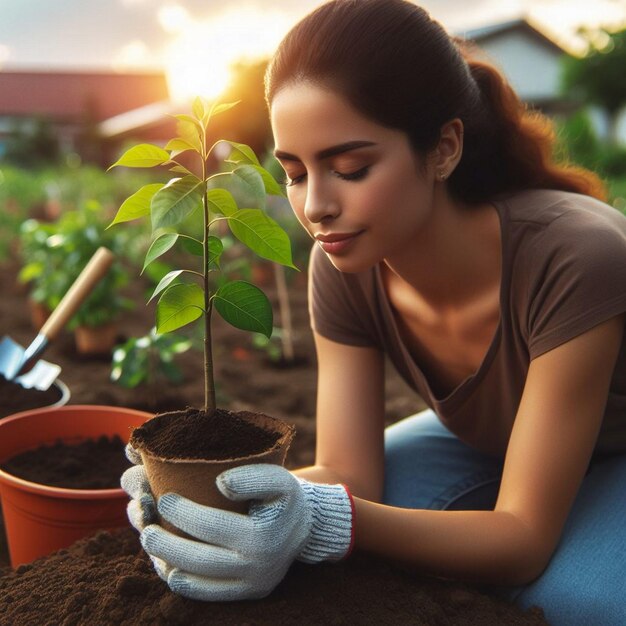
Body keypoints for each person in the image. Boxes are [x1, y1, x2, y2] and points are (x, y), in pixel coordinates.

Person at [121, 1, 626, 623]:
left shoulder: (576, 256)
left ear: (443, 149)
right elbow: (348, 474)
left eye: (351, 168)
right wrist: (196, 496)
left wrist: (327, 523)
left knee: (581, 601)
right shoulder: (343, 267)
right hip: (490, 442)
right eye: (296, 173)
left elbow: (521, 538)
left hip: (616, 448)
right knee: (333, 531)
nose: (316, 207)